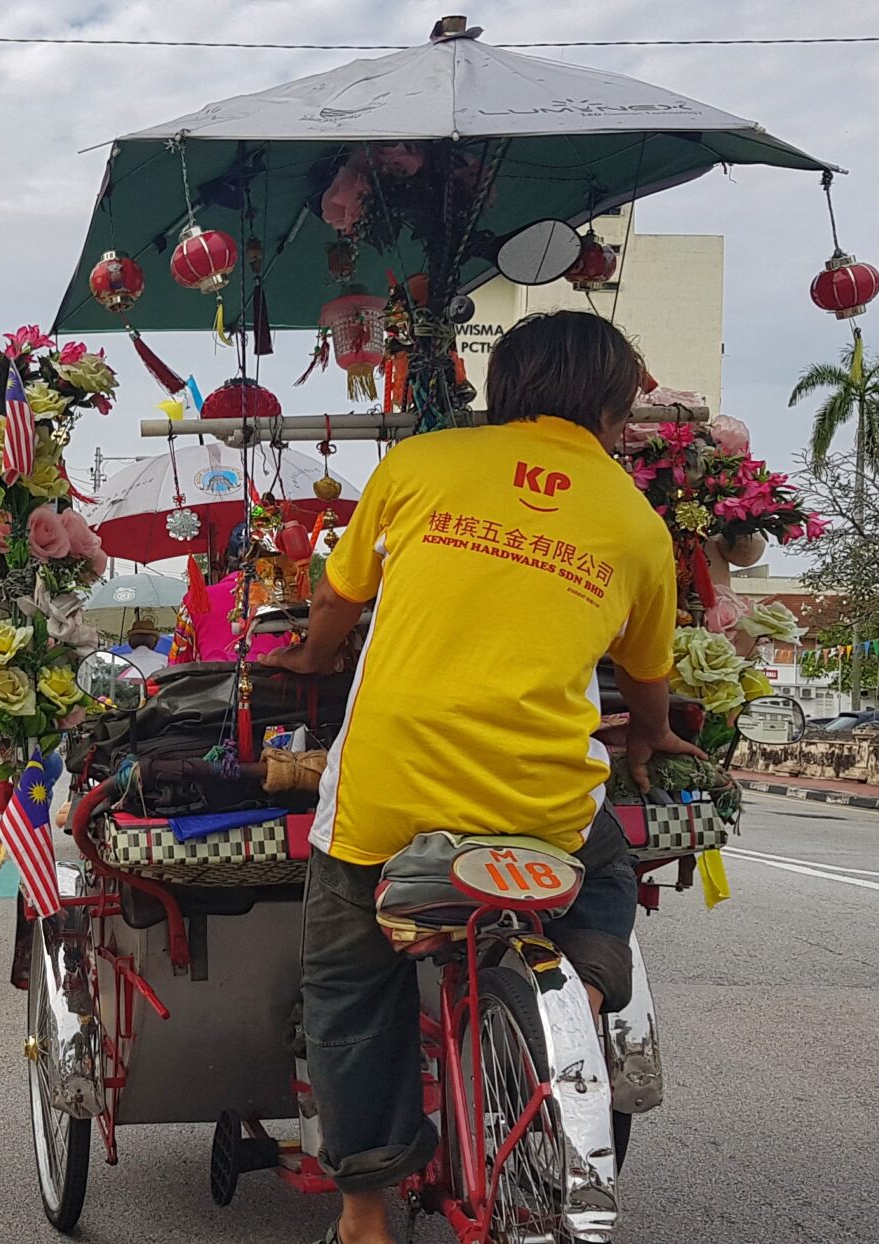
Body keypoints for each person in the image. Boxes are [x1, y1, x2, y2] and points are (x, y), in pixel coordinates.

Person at [262, 310, 702, 1244]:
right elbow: (648, 677)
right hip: (539, 803)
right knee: (609, 871)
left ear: (502, 391)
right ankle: (579, 991)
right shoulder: (636, 521)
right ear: (617, 412)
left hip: (389, 791)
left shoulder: (422, 465)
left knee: (348, 980)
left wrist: (309, 656)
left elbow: (341, 594)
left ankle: (365, 1212)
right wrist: (650, 737)